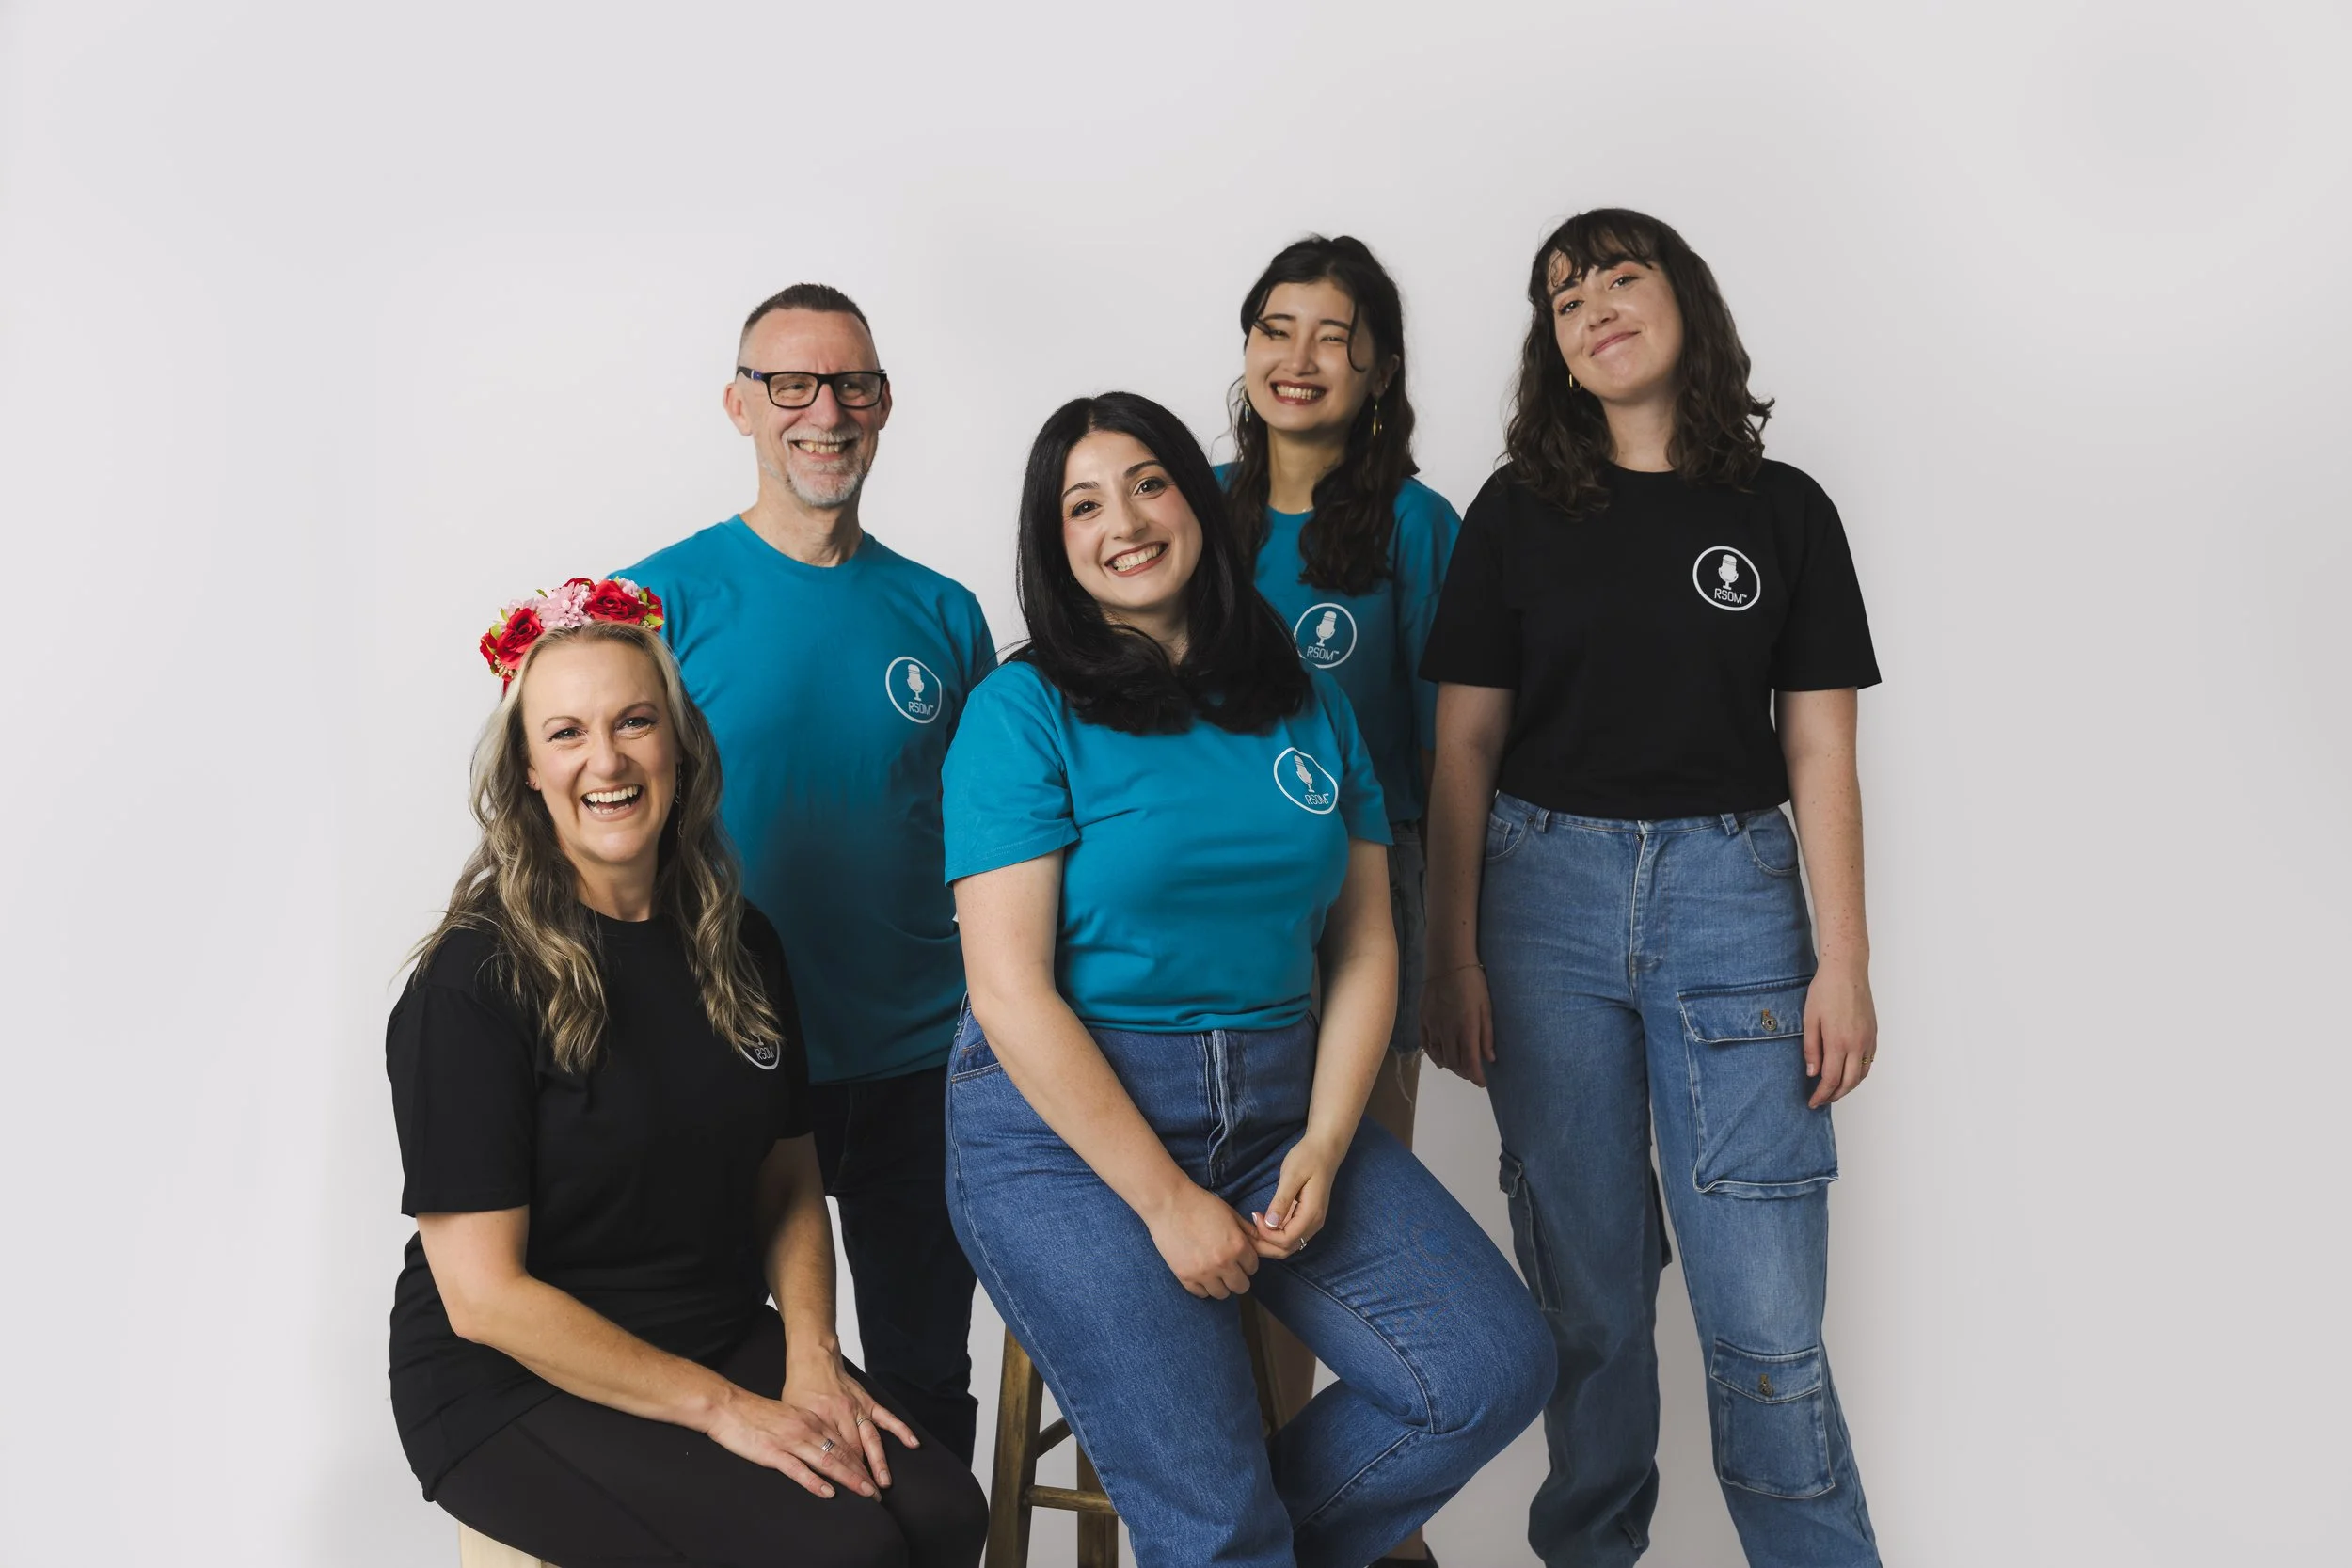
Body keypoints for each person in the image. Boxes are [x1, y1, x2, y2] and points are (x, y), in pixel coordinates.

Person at [942, 392, 1550, 1568]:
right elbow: (1011, 992)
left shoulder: (1304, 697)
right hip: (1069, 1136)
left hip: (1278, 1107)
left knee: (1486, 1369)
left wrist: (1325, 1139)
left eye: (1148, 482)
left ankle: (1227, 1546)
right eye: (1081, 503)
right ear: (1052, 544)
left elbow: (1366, 941)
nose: (1122, 519)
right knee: (1217, 1524)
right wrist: (1165, 1201)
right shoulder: (1019, 711)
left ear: (1199, 502)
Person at [1420, 209, 1884, 1568]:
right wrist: (1451, 951)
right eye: (1566, 298)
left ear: (1688, 303)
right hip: (1538, 899)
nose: (1597, 308)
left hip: (1736, 898)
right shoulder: (1514, 511)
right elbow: (1462, 745)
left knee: (1764, 1316)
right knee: (1591, 1303)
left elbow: (1819, 749)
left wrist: (1843, 960)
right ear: (1553, 350)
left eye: (1623, 277)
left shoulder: (1785, 510)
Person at [386, 579, 986, 1568]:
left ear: (680, 743)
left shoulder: (741, 941)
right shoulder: (473, 980)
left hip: (708, 1328)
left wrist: (811, 1357)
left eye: (634, 722)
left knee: (942, 1510)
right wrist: (726, 1412)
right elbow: (483, 1296)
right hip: (511, 1379)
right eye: (568, 733)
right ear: (529, 768)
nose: (607, 759)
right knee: (845, 1551)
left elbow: (790, 1178)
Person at [618, 284, 995, 1463]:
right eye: (792, 384)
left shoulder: (943, 612)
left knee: (925, 1370)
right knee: (724, 1358)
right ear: (740, 405)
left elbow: (997, 846)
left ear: (883, 405)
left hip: (920, 1064)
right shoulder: (658, 603)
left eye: (852, 385)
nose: (824, 412)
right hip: (729, 1049)